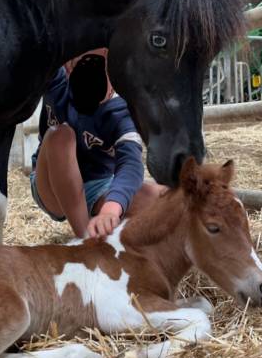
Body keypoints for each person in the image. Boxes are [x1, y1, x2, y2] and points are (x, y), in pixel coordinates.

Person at [30, 49, 164, 239]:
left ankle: (98, 221)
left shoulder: (122, 113)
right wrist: (64, 51)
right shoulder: (57, 82)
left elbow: (131, 164)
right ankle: (86, 239)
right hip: (50, 185)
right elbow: (35, 49)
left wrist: (111, 209)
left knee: (161, 197)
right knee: (61, 136)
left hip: (97, 186)